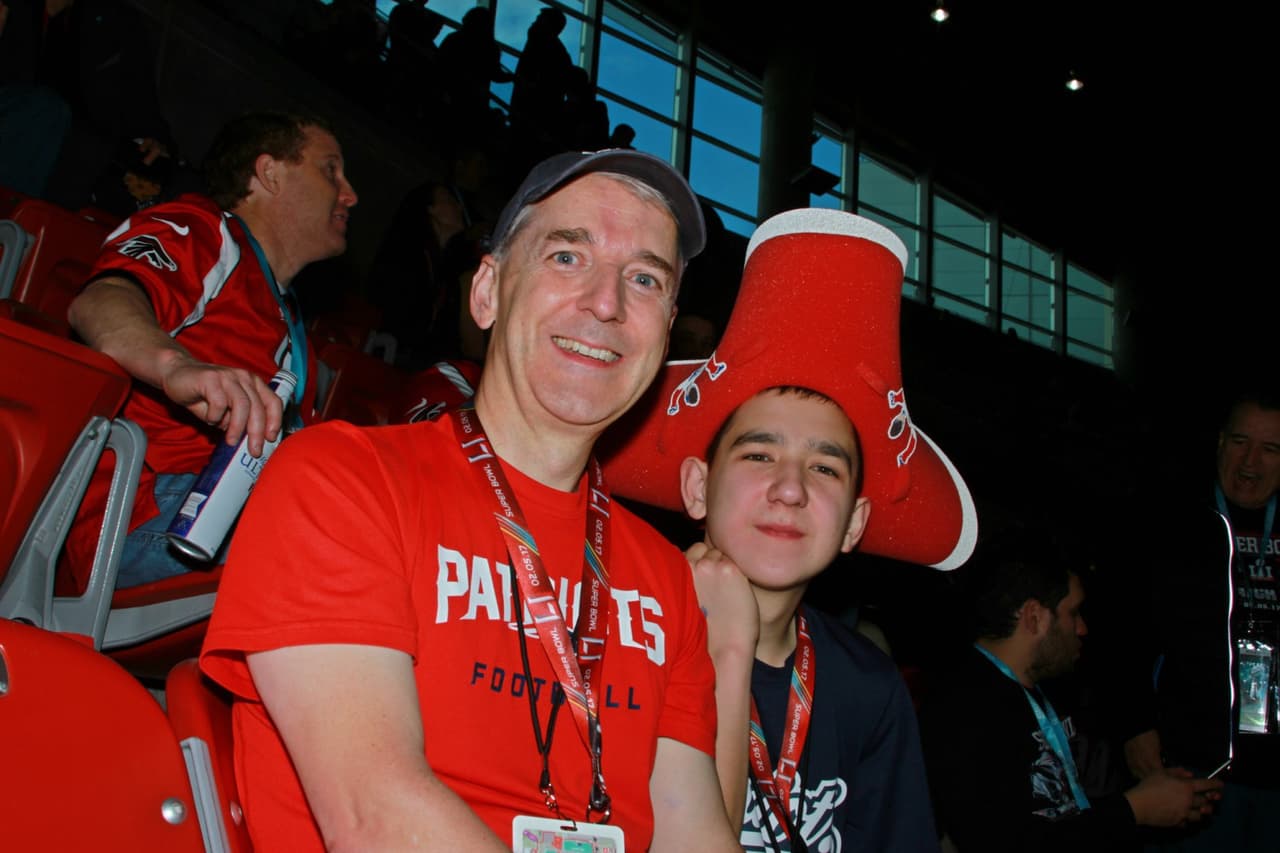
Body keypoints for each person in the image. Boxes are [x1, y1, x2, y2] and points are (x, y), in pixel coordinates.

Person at [199, 149, 742, 851]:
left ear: (665, 332)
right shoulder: (341, 481)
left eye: (644, 278)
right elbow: (376, 815)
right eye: (567, 257)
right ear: (485, 292)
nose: (607, 303)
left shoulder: (667, 580)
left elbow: (692, 831)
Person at [601, 208, 979, 850]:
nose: (790, 488)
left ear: (854, 522)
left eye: (826, 469)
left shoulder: (869, 689)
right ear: (698, 487)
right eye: (758, 455)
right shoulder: (610, 638)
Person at [63, 111, 357, 592]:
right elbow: (101, 301)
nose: (350, 194)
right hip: (140, 517)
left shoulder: (290, 318)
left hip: (236, 510)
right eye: (331, 170)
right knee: (351, 543)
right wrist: (175, 366)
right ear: (269, 173)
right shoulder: (201, 228)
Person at [919, 528, 1224, 853]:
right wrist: (1136, 809)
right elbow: (1006, 841)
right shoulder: (963, 711)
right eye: (1073, 613)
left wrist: (1156, 798)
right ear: (1034, 617)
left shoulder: (1044, 690)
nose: (1082, 628)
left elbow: (1068, 816)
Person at [1119, 390, 1280, 851]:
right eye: (1240, 442)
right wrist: (1134, 725)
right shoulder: (1172, 523)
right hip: (1196, 774)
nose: (1250, 461)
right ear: (1220, 443)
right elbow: (1123, 633)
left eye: (1270, 449)